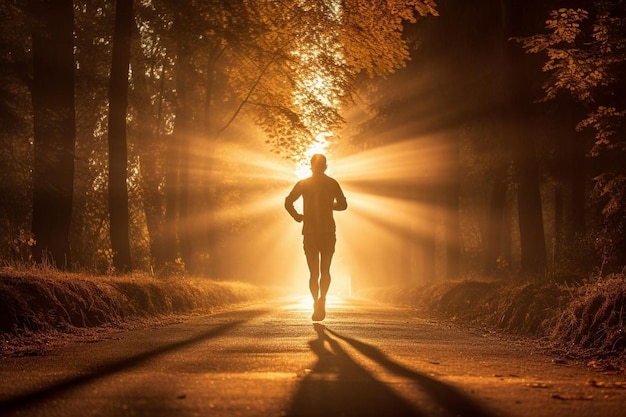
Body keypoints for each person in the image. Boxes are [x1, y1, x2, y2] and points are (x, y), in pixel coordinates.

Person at [285, 154, 347, 321]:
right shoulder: (332, 183)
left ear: (311, 166)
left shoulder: (304, 183)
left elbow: (288, 202)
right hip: (327, 232)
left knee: (313, 272)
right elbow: (343, 205)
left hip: (310, 232)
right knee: (325, 270)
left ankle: (315, 302)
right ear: (325, 166)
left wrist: (297, 216)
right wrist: (329, 206)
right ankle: (322, 300)